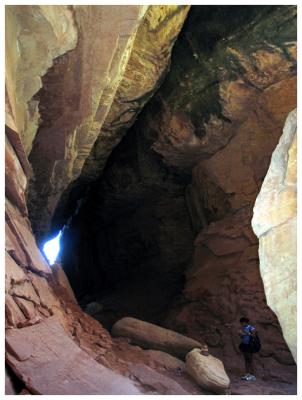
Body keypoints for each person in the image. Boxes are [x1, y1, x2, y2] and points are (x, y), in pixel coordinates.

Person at [238, 317, 257, 381]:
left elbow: (254, 335)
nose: (241, 324)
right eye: (241, 323)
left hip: (250, 345)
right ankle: (247, 374)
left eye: (242, 323)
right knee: (246, 359)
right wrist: (241, 334)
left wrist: (246, 333)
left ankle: (253, 375)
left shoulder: (251, 328)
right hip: (244, 345)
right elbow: (242, 336)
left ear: (246, 322)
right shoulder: (242, 328)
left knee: (250, 360)